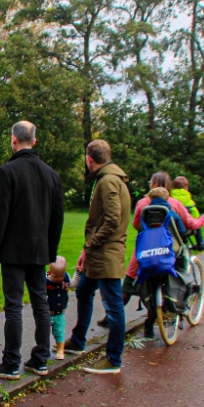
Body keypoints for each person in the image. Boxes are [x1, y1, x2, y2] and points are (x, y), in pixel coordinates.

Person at [0, 121, 65, 380]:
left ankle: (11, 362)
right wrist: (50, 252)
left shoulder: (8, 172)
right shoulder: (52, 174)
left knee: (14, 305)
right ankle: (41, 358)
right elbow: (57, 218)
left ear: (13, 140)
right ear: (35, 140)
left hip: (13, 250)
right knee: (40, 302)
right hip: (39, 249)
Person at [64, 140, 131, 375]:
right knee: (83, 290)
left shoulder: (109, 181)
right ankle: (78, 340)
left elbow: (112, 220)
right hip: (97, 253)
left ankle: (113, 359)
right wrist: (86, 250)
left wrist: (91, 243)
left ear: (89, 158)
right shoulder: (111, 178)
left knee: (113, 306)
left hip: (107, 254)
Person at [122, 172, 204, 339]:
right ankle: (181, 307)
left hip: (147, 252)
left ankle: (116, 319)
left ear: (152, 185)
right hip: (171, 252)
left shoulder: (142, 204)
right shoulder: (175, 204)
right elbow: (190, 224)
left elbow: (136, 225)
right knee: (181, 275)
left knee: (132, 283)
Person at [171, 176, 204, 250]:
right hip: (187, 225)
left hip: (174, 225)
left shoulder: (171, 196)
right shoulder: (187, 197)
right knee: (197, 225)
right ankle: (200, 243)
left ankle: (183, 244)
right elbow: (195, 214)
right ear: (186, 187)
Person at [45, 257, 70, 360]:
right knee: (44, 333)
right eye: (56, 277)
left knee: (59, 331)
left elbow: (74, 283)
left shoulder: (66, 278)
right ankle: (44, 350)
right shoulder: (44, 281)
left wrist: (79, 272)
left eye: (61, 276)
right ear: (50, 272)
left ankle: (60, 350)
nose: (60, 279)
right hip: (46, 312)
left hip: (60, 312)